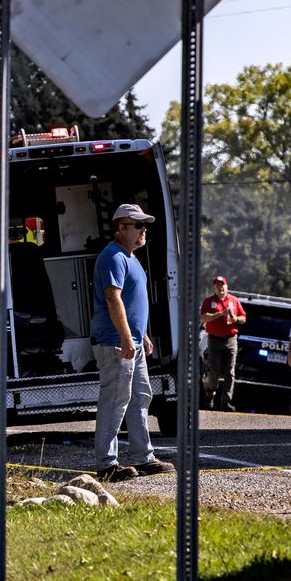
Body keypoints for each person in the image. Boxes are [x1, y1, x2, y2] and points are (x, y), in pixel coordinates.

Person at [91, 203, 175, 482]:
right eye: (138, 225)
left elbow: (132, 302)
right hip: (115, 341)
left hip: (132, 341)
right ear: (121, 228)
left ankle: (143, 457)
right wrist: (127, 337)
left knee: (140, 397)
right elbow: (113, 298)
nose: (143, 230)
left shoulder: (131, 258)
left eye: (144, 225)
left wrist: (143, 335)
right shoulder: (113, 257)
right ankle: (107, 464)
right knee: (115, 400)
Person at [200, 276, 246, 411]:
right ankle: (210, 395)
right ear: (214, 288)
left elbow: (243, 318)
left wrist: (235, 318)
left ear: (227, 287)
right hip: (214, 340)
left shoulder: (234, 300)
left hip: (231, 340)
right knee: (214, 370)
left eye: (222, 285)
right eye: (218, 285)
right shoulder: (209, 301)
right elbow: (204, 317)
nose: (220, 287)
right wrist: (220, 314)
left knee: (230, 371)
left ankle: (226, 401)